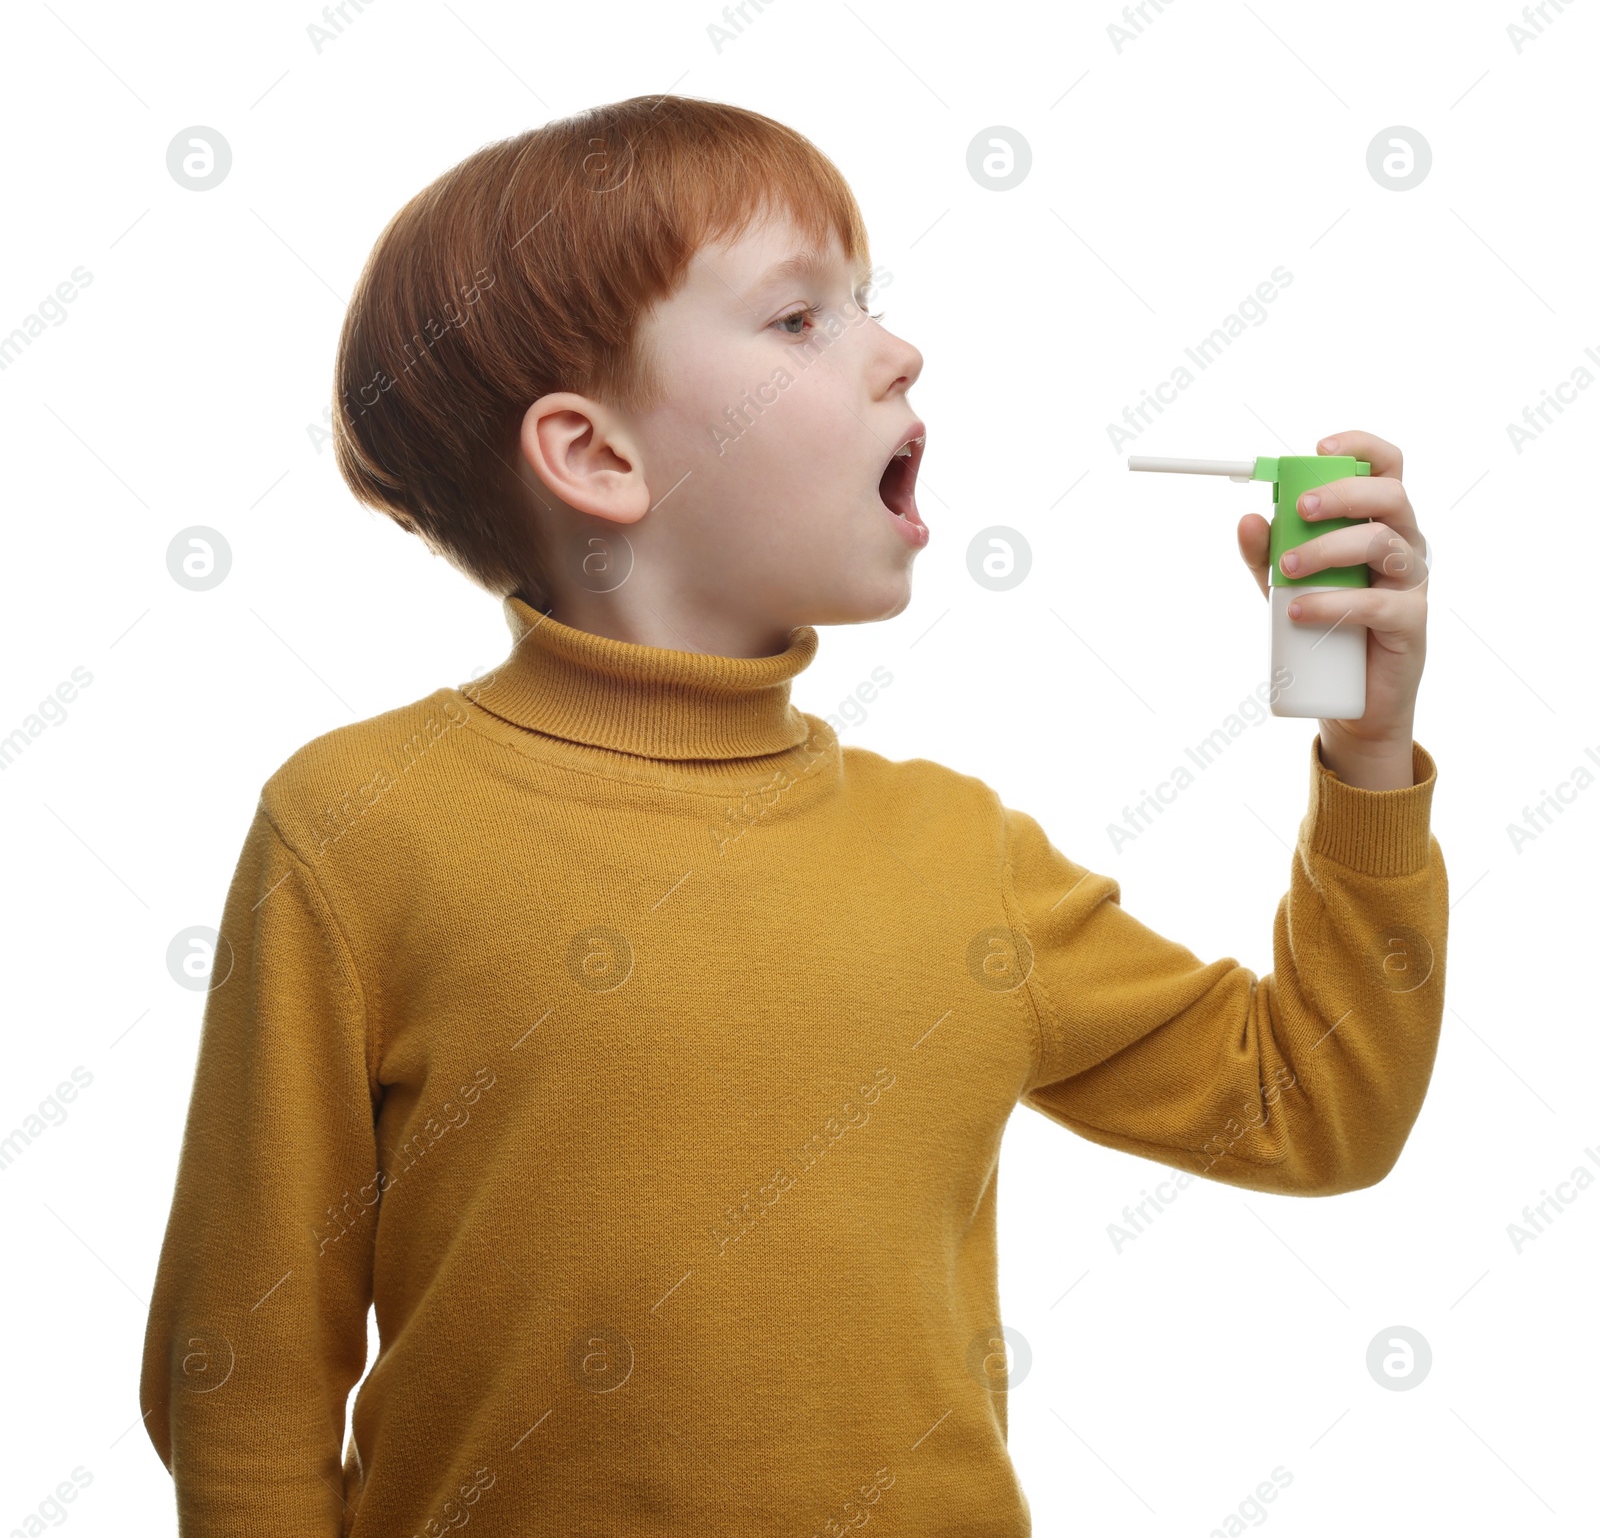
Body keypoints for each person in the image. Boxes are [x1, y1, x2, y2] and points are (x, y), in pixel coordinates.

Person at [139, 93, 1445, 1536]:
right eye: (799, 320)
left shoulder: (964, 860)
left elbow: (1313, 1109)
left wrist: (1369, 753)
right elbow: (242, 1380)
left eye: (866, 302)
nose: (899, 349)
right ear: (595, 457)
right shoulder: (356, 827)